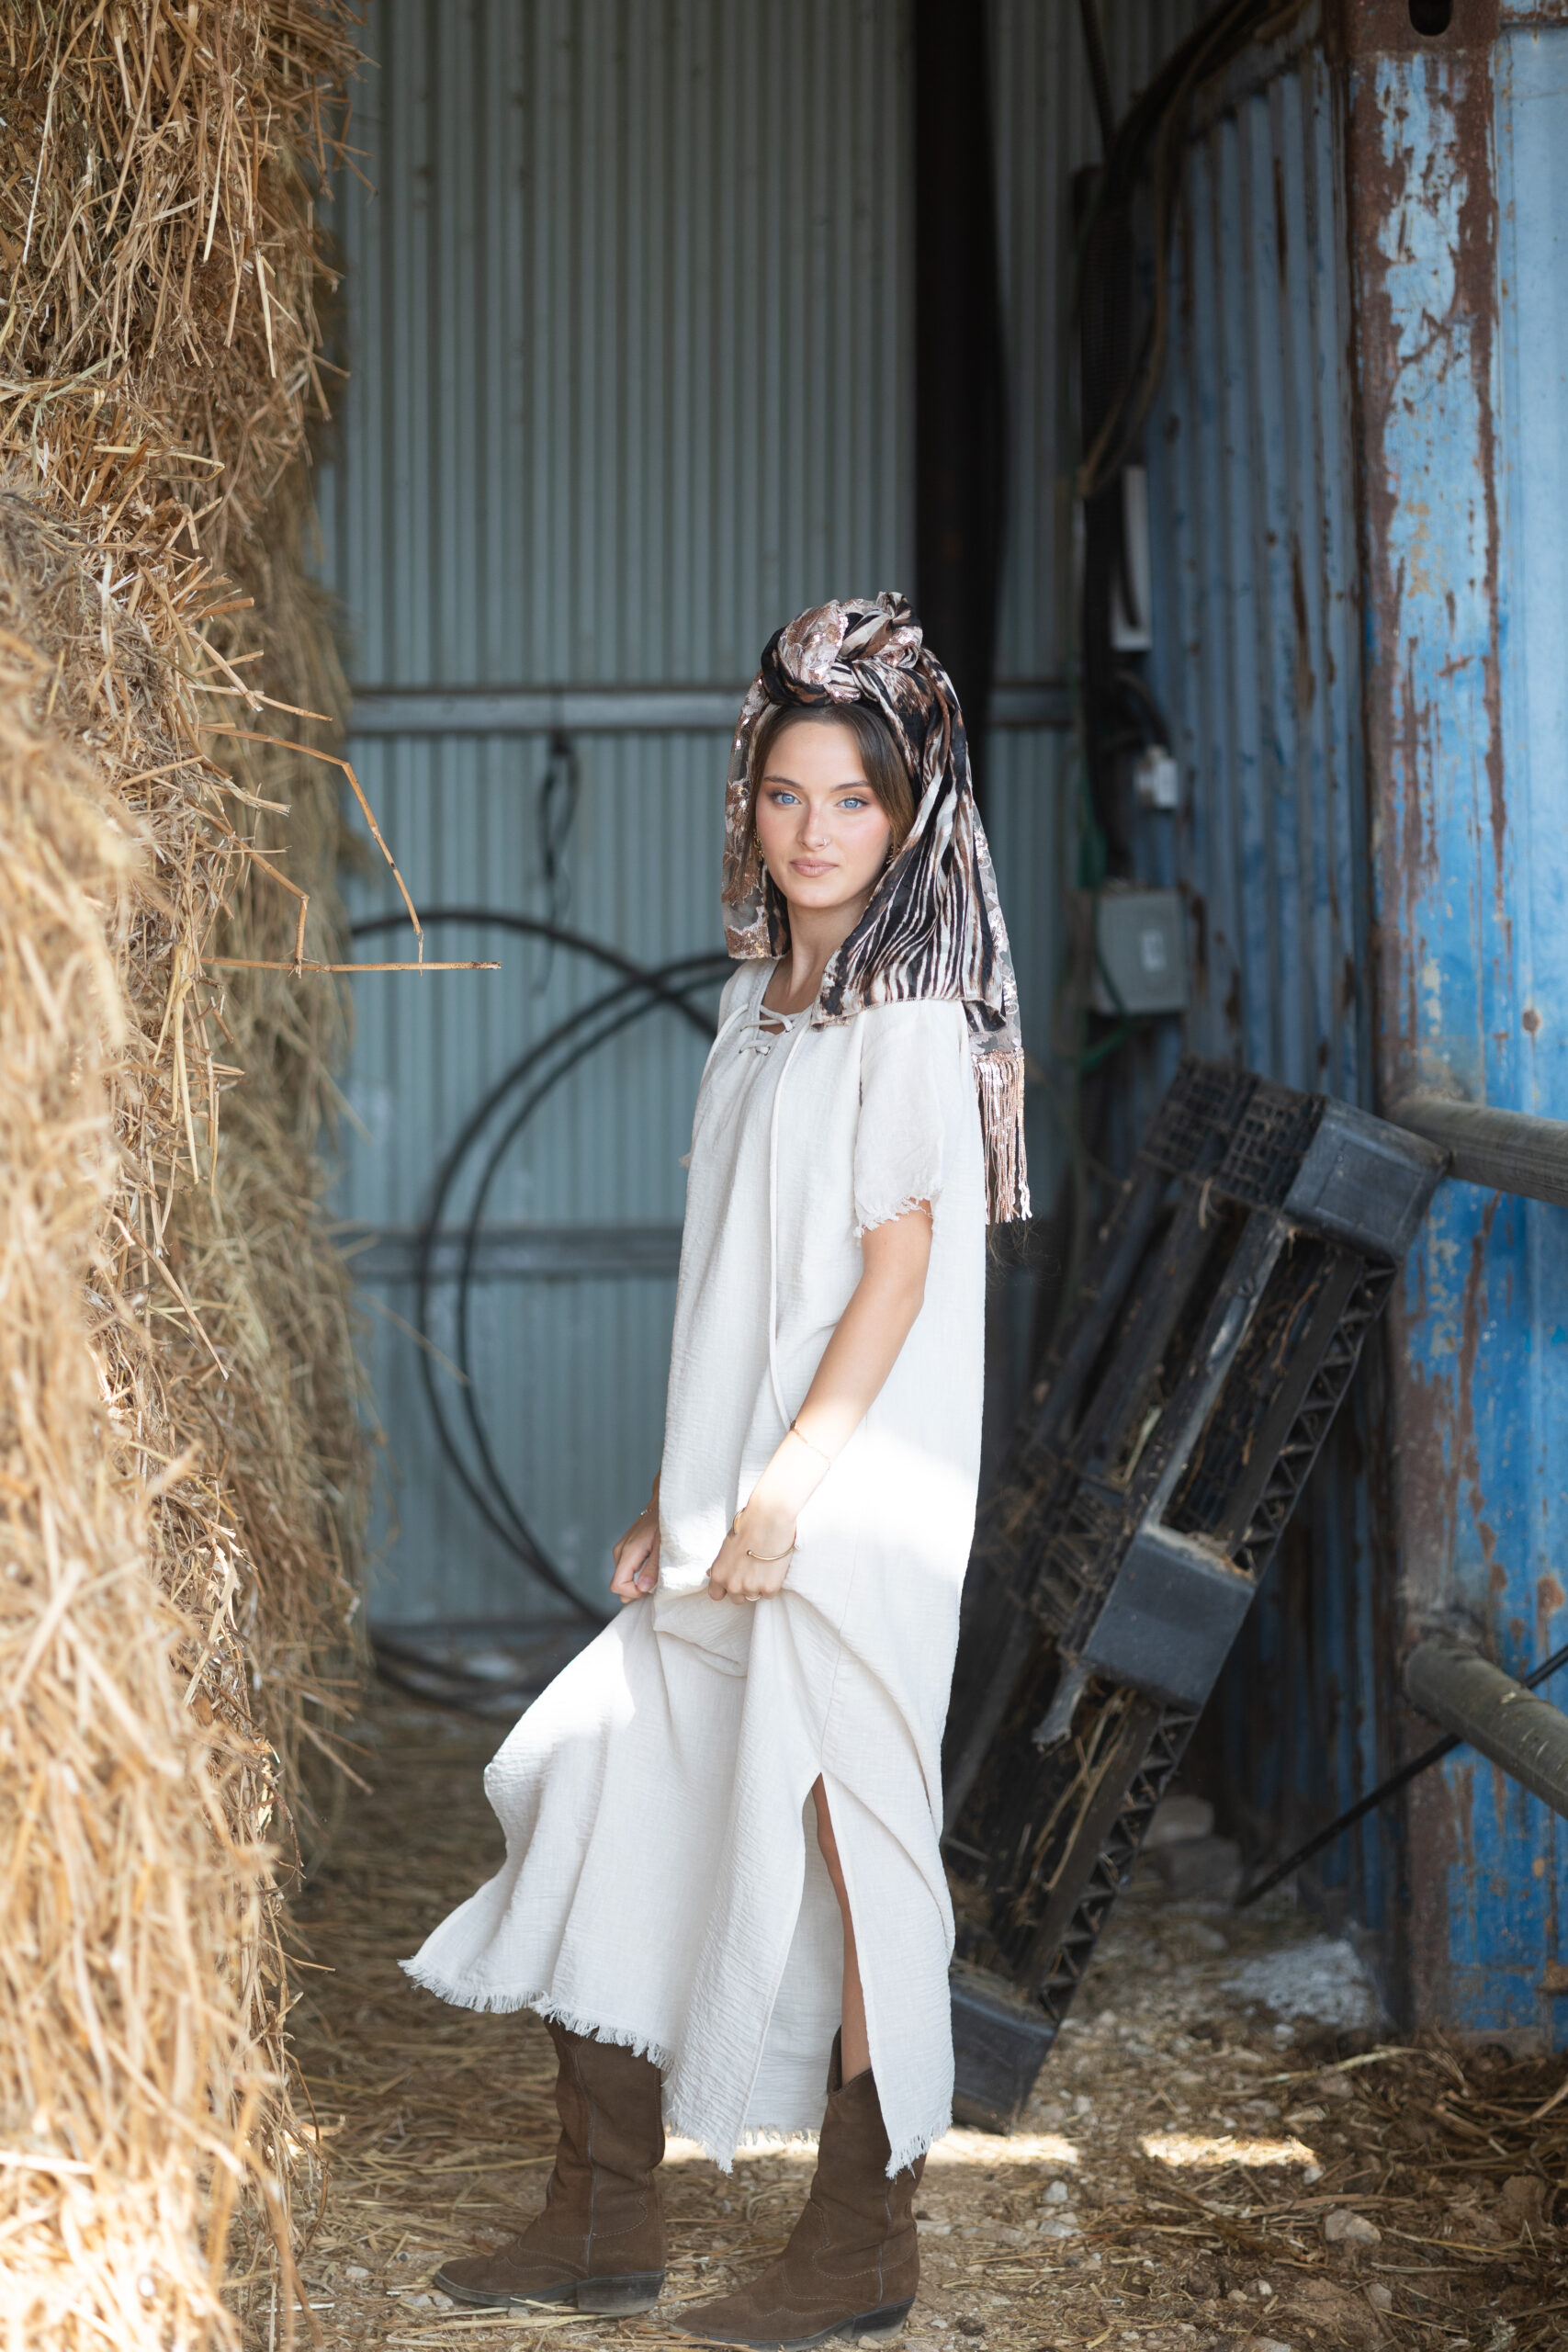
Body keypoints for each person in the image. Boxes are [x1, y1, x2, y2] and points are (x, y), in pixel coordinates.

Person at [403, 592, 1030, 2348]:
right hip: (734, 1499)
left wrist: (786, 1490)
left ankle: (864, 2241)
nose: (814, 832)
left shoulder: (911, 1016)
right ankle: (604, 2213)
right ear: (746, 801)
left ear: (908, 817)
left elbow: (895, 1278)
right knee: (603, 1776)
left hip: (848, 1500)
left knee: (853, 1839)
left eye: (853, 800)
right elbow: (736, 1283)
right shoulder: (758, 1004)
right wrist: (677, 1488)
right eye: (785, 795)